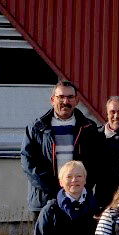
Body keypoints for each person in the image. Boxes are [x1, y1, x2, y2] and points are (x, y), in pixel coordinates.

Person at [21, 80, 102, 214]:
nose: (66, 101)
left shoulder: (88, 128)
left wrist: (77, 188)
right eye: (61, 97)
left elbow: (95, 164)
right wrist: (54, 189)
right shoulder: (37, 128)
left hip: (78, 200)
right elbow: (28, 163)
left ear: (77, 100)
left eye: (70, 97)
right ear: (52, 100)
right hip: (45, 201)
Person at [92, 95, 119, 208]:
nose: (116, 116)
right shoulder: (94, 137)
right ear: (107, 113)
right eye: (112, 112)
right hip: (101, 203)